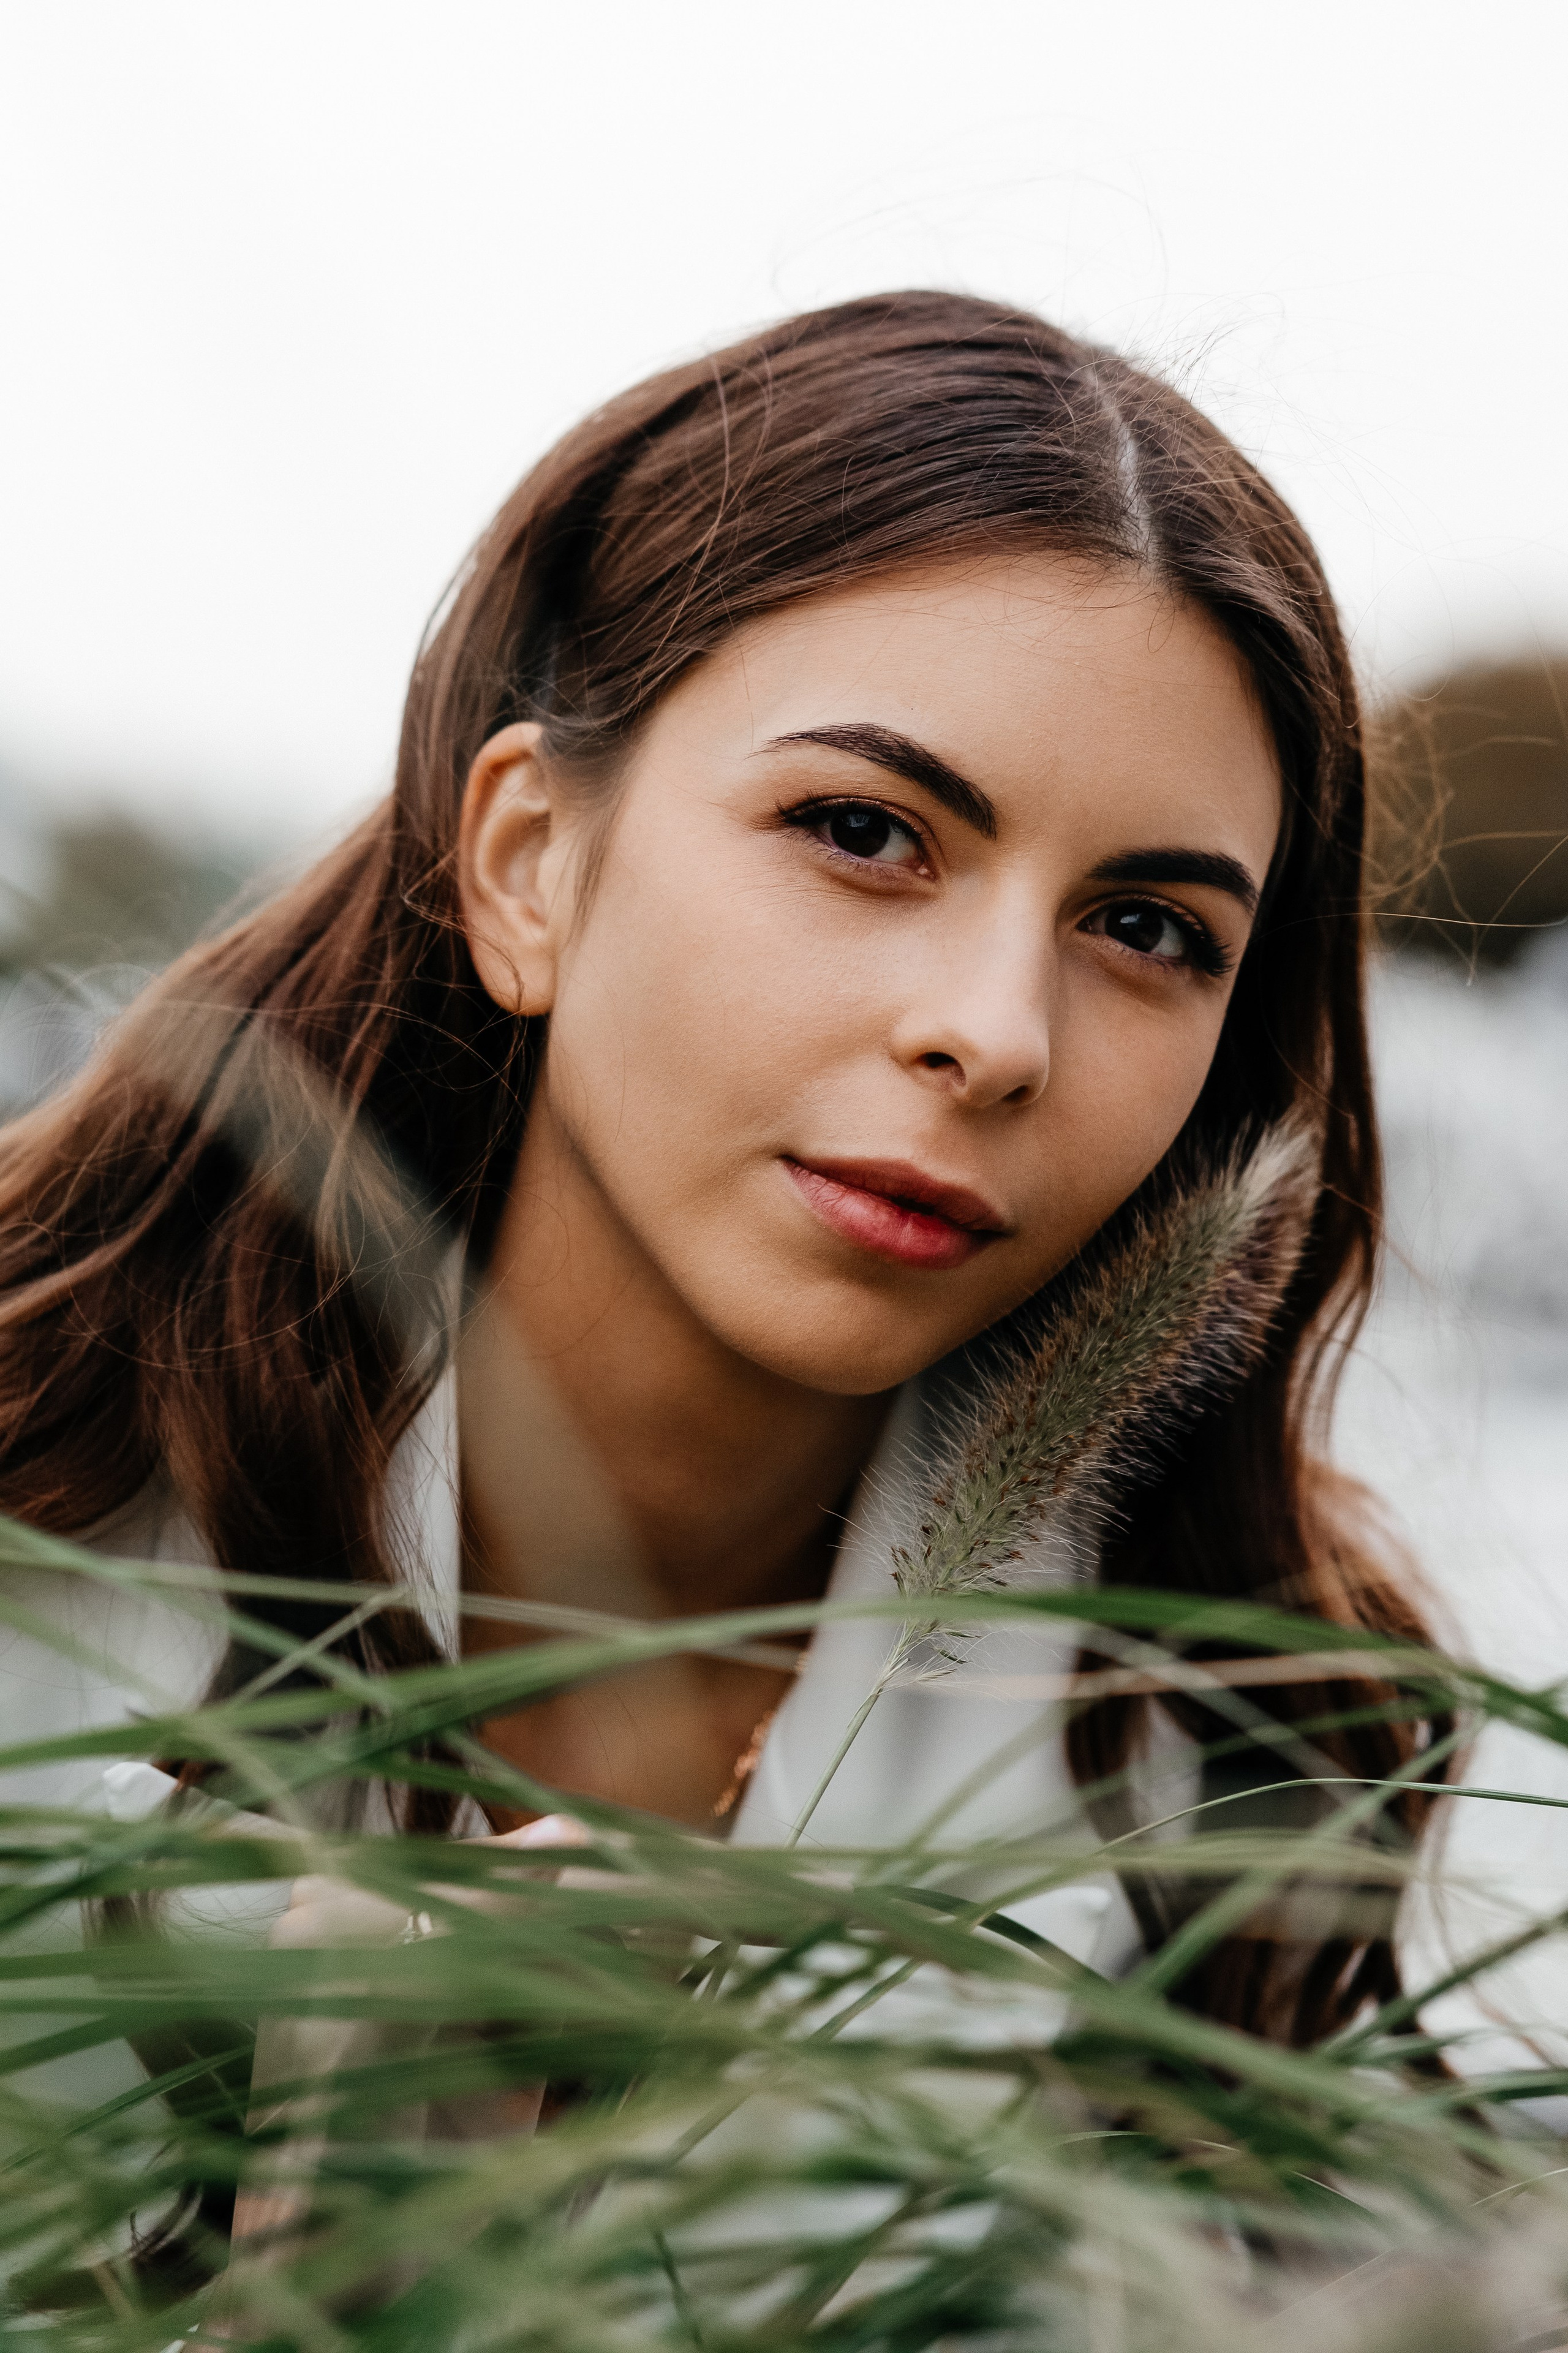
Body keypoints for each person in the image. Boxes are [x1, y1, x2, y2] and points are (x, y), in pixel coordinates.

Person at [0, 292, 1444, 2094]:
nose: (995, 1035)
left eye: (1147, 930)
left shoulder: (1227, 1719)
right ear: (530, 862)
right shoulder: (41, 1524)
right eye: (862, 830)